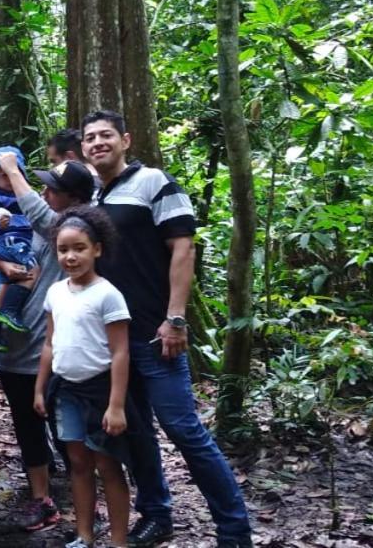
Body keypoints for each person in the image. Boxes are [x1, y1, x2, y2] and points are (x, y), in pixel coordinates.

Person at [81, 110, 252, 548]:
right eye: (90, 138)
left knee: (183, 429)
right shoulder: (95, 199)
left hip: (155, 336)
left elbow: (183, 248)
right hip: (113, 339)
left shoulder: (155, 182)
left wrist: (176, 318)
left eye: (105, 136)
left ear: (126, 139)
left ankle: (234, 530)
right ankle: (156, 514)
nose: (97, 143)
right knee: (135, 431)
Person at [0, 152, 96, 532]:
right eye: (45, 186)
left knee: (68, 429)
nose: (45, 191)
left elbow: (38, 213)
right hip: (15, 350)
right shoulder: (34, 224)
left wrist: (12, 171)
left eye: (54, 188)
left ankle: (85, 502)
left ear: (74, 198)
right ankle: (42, 499)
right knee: (26, 426)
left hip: (52, 351)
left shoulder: (72, 231)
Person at [34, 207, 135, 548]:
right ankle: (84, 535)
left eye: (79, 248)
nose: (70, 256)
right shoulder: (56, 292)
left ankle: (119, 541)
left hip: (99, 391)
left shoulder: (108, 294)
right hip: (66, 390)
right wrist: (39, 388)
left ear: (97, 249)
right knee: (77, 463)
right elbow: (49, 343)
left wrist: (116, 405)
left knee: (107, 465)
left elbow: (120, 351)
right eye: (63, 250)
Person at [0, 145, 37, 338]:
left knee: (5, 287)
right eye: (2, 175)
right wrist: (0, 223)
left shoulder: (25, 196)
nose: (8, 179)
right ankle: (10, 311)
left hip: (20, 241)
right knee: (32, 268)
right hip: (10, 242)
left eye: (11, 173)